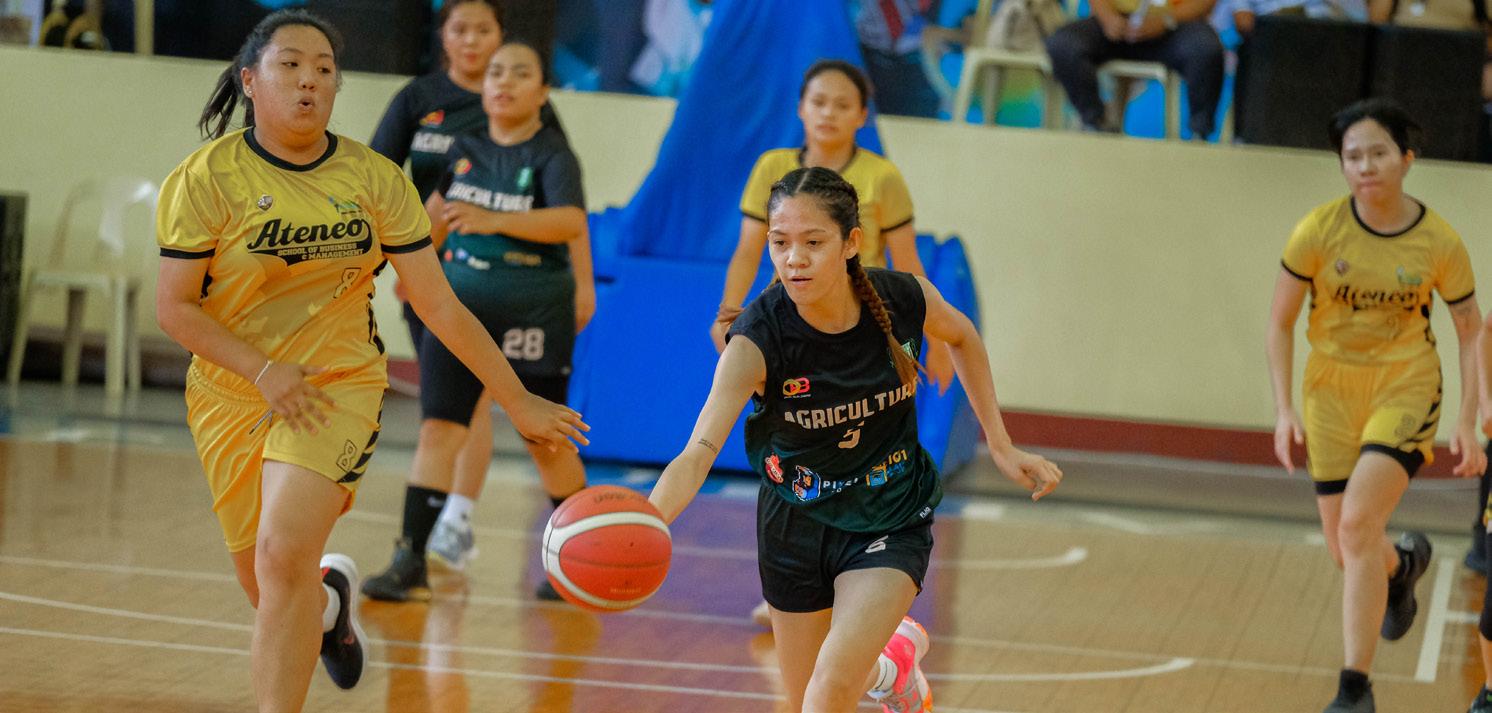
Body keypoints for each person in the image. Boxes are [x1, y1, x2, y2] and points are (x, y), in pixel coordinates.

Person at [154, 11, 588, 711]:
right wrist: (262, 370)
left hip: (336, 386)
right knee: (271, 588)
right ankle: (329, 606)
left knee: (281, 555)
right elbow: (175, 309)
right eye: (291, 65)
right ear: (250, 80)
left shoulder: (375, 179)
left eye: (324, 69)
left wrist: (518, 399)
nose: (309, 80)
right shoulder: (205, 178)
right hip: (233, 393)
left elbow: (440, 306)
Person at [651, 166, 1063, 713]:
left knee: (829, 689)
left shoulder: (902, 300)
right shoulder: (755, 341)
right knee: (810, 695)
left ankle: (881, 665)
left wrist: (1002, 444)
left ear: (851, 243)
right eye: (780, 243)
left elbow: (962, 336)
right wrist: (645, 522)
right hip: (794, 524)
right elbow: (697, 455)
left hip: (889, 511)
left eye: (813, 242)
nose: (794, 258)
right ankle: (892, 667)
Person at [713, 60, 956, 627]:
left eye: (842, 104)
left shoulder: (882, 176)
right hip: (795, 335)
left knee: (864, 454)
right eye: (818, 102)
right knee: (791, 449)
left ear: (862, 115)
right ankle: (796, 586)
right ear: (800, 108)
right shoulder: (773, 167)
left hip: (866, 336)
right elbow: (747, 248)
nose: (828, 113)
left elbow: (908, 262)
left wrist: (937, 340)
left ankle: (867, 582)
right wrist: (728, 314)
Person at [1265, 98, 1486, 713]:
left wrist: (1467, 418)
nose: (1365, 165)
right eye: (1352, 156)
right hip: (1330, 392)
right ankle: (1402, 566)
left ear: (1406, 158)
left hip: (1405, 385)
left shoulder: (1438, 240)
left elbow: (1470, 330)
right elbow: (1279, 322)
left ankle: (1353, 691)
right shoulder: (1317, 231)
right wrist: (1284, 409)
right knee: (1348, 548)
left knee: (1359, 523)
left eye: (1378, 152)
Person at [362, 39, 594, 603]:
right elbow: (435, 216)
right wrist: (410, 270)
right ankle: (410, 560)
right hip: (462, 308)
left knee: (545, 437)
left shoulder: (553, 154)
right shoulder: (463, 148)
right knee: (440, 427)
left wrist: (494, 220)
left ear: (543, 91)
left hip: (533, 308)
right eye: (495, 73)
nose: (503, 82)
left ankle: (579, 562)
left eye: (520, 73)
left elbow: (569, 221)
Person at [1043, 0, 1224, 137]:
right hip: (1115, 23)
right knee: (1063, 45)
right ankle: (1096, 123)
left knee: (1207, 49)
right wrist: (1108, 18)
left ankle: (1199, 134)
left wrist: (1165, 21)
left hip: (1172, 25)